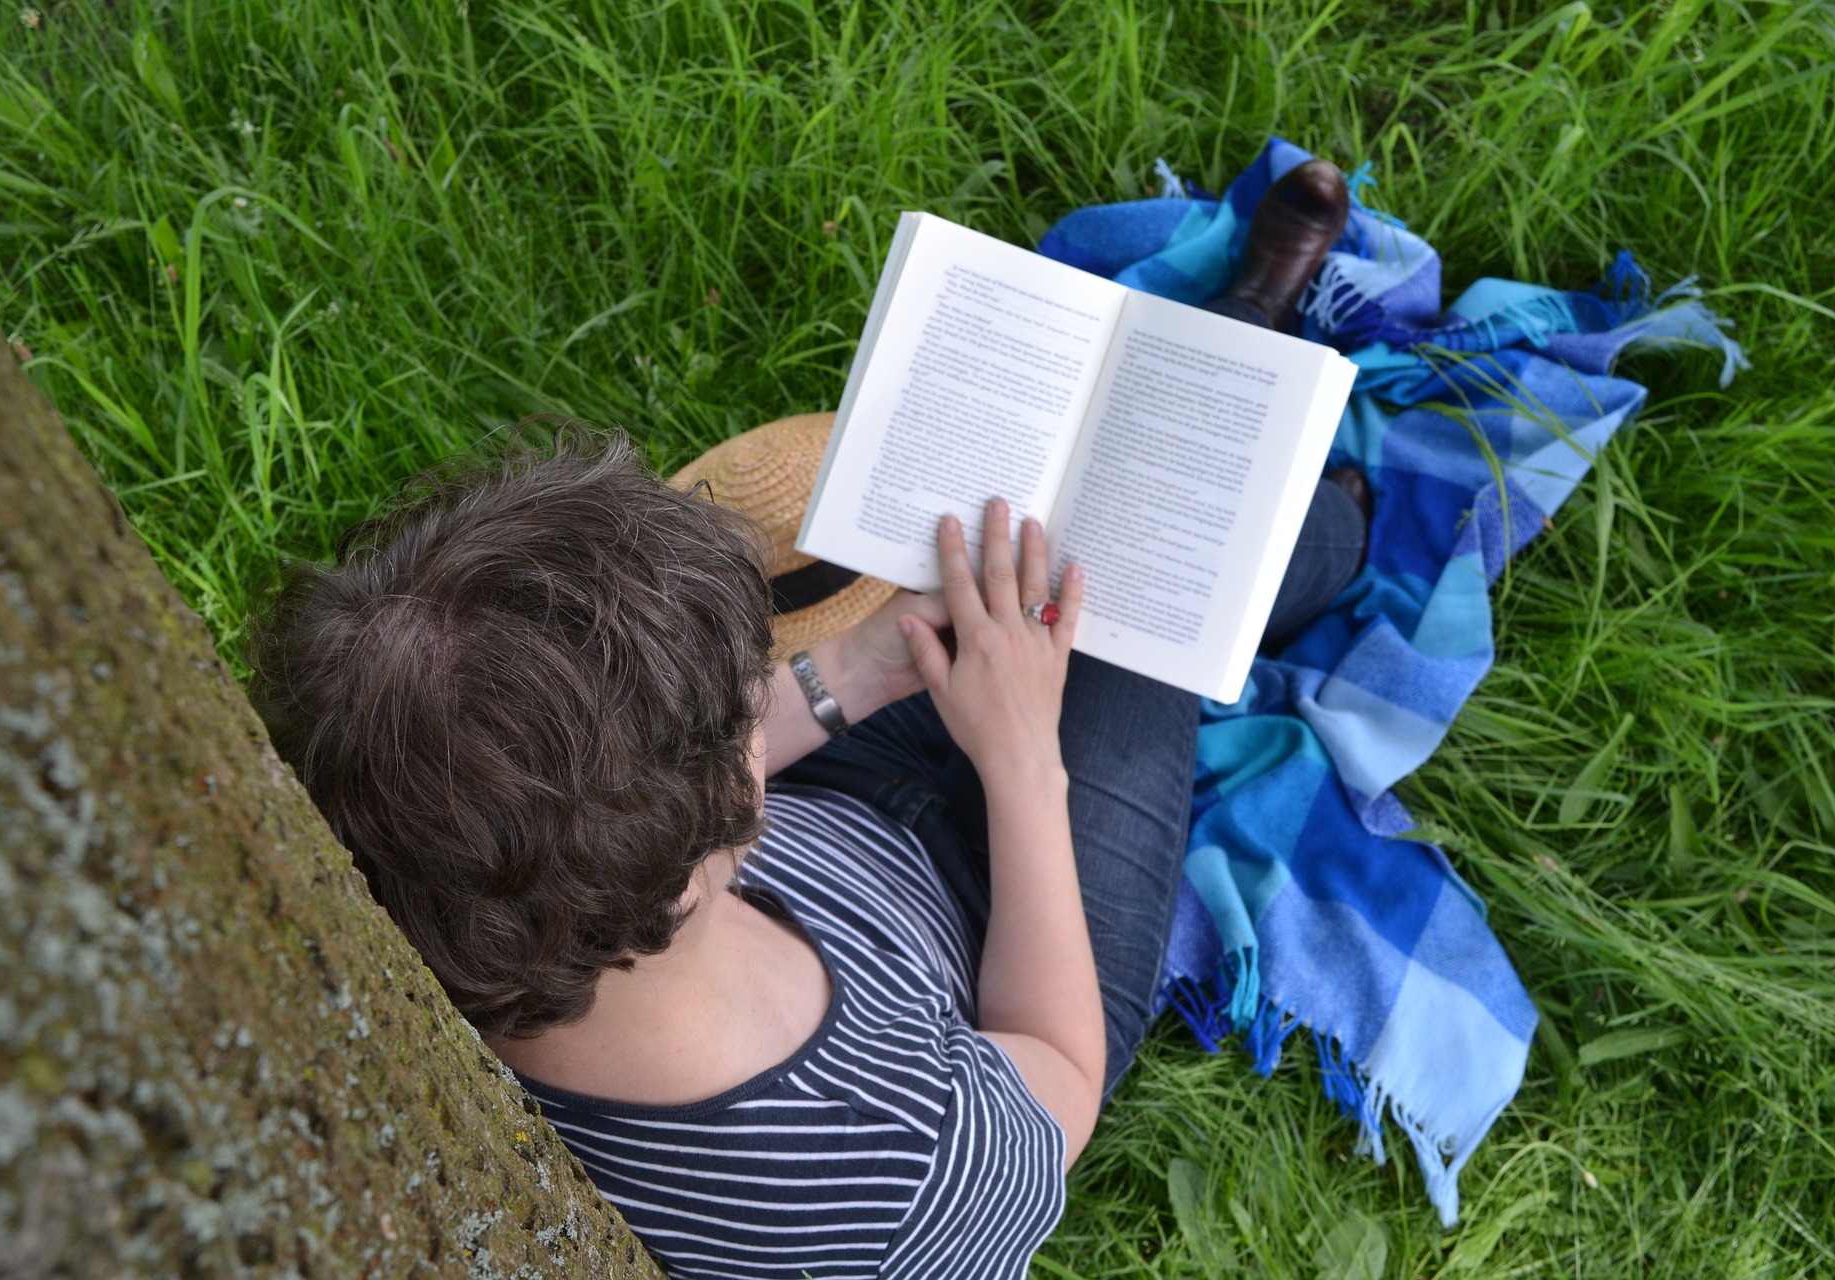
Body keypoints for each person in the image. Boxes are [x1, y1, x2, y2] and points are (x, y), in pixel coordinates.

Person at [247, 160, 1357, 1280]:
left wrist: (865, 668)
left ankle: (1247, 386)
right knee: (1128, 584)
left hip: (842, 819)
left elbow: (600, 803)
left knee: (1031, 570)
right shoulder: (902, 1171)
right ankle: (1315, 458)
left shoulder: (448, 868)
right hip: (1009, 947)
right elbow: (1060, 1071)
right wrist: (1022, 757)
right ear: (703, 841)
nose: (774, 689)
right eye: (751, 704)